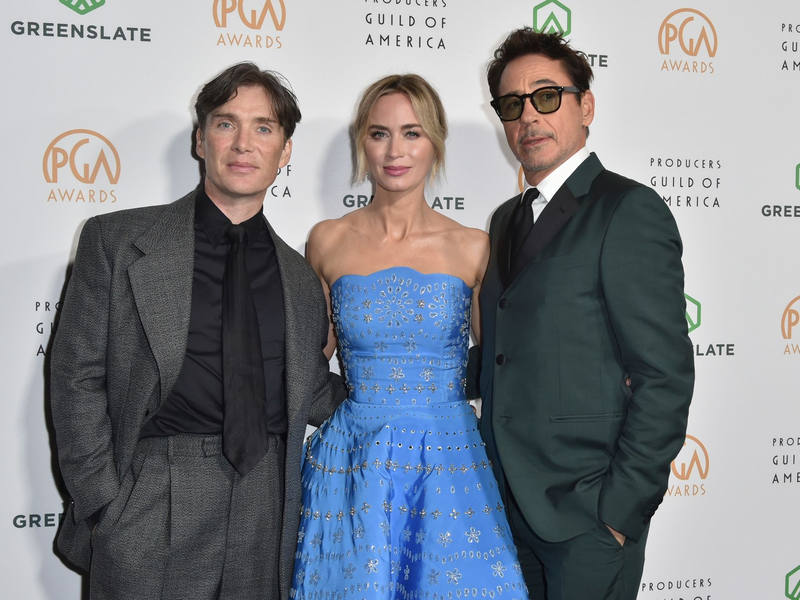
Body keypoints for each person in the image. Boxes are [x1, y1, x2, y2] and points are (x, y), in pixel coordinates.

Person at [50, 62, 346, 600]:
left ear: (285, 153)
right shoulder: (117, 241)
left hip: (267, 503)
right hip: (149, 497)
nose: (243, 143)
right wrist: (103, 504)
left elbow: (314, 392)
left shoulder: (302, 280)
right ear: (199, 140)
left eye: (263, 127)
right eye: (225, 122)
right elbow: (76, 378)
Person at [473, 28, 695, 600]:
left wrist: (619, 513)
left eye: (547, 96)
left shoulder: (628, 209)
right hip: (505, 506)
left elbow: (664, 375)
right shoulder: (504, 220)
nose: (529, 117)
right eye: (511, 104)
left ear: (585, 105)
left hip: (587, 518)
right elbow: (506, 355)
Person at [290, 74, 529, 599]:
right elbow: (312, 356)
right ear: (362, 143)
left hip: (448, 456)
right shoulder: (327, 240)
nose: (395, 150)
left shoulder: (473, 246)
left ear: (435, 143)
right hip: (354, 460)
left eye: (412, 133)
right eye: (379, 134)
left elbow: (498, 362)